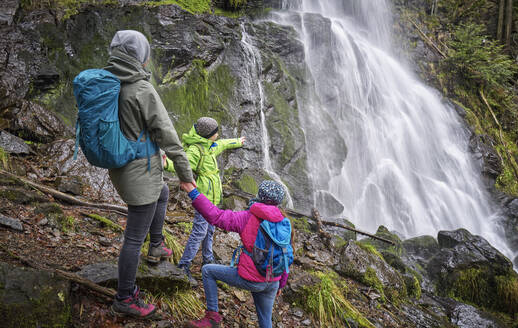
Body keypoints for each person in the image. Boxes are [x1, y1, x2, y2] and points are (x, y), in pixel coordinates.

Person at [105, 30, 196, 318]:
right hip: (138, 173)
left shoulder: (110, 81)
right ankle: (125, 297)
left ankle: (156, 246)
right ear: (140, 57)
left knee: (163, 192)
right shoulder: (142, 90)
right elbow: (169, 136)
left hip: (120, 166)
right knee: (133, 239)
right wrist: (186, 175)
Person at [180, 180, 291, 328]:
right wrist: (281, 284)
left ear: (259, 195)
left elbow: (216, 216)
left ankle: (212, 317)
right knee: (265, 321)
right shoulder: (283, 221)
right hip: (273, 281)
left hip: (253, 278)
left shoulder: (247, 217)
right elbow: (286, 253)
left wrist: (193, 192)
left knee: (208, 271)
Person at [163, 117, 245, 284]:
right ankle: (184, 265)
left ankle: (208, 259)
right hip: (203, 198)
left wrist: (238, 141)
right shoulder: (196, 150)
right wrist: (166, 164)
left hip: (213, 198)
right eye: (216, 132)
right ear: (209, 135)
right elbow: (182, 163)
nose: (218, 135)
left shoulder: (209, 146)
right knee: (199, 232)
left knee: (209, 230)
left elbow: (222, 144)